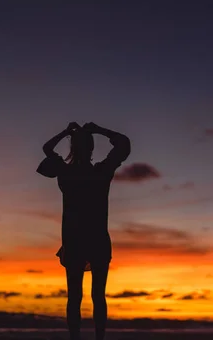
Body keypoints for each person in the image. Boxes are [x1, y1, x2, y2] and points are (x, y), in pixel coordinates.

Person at [37, 122, 131, 340]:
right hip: (97, 239)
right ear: (91, 148)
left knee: (75, 297)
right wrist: (100, 130)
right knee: (98, 296)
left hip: (74, 240)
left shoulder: (65, 172)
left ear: (74, 148)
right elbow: (124, 144)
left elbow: (46, 149)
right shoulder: (102, 171)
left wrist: (64, 132)